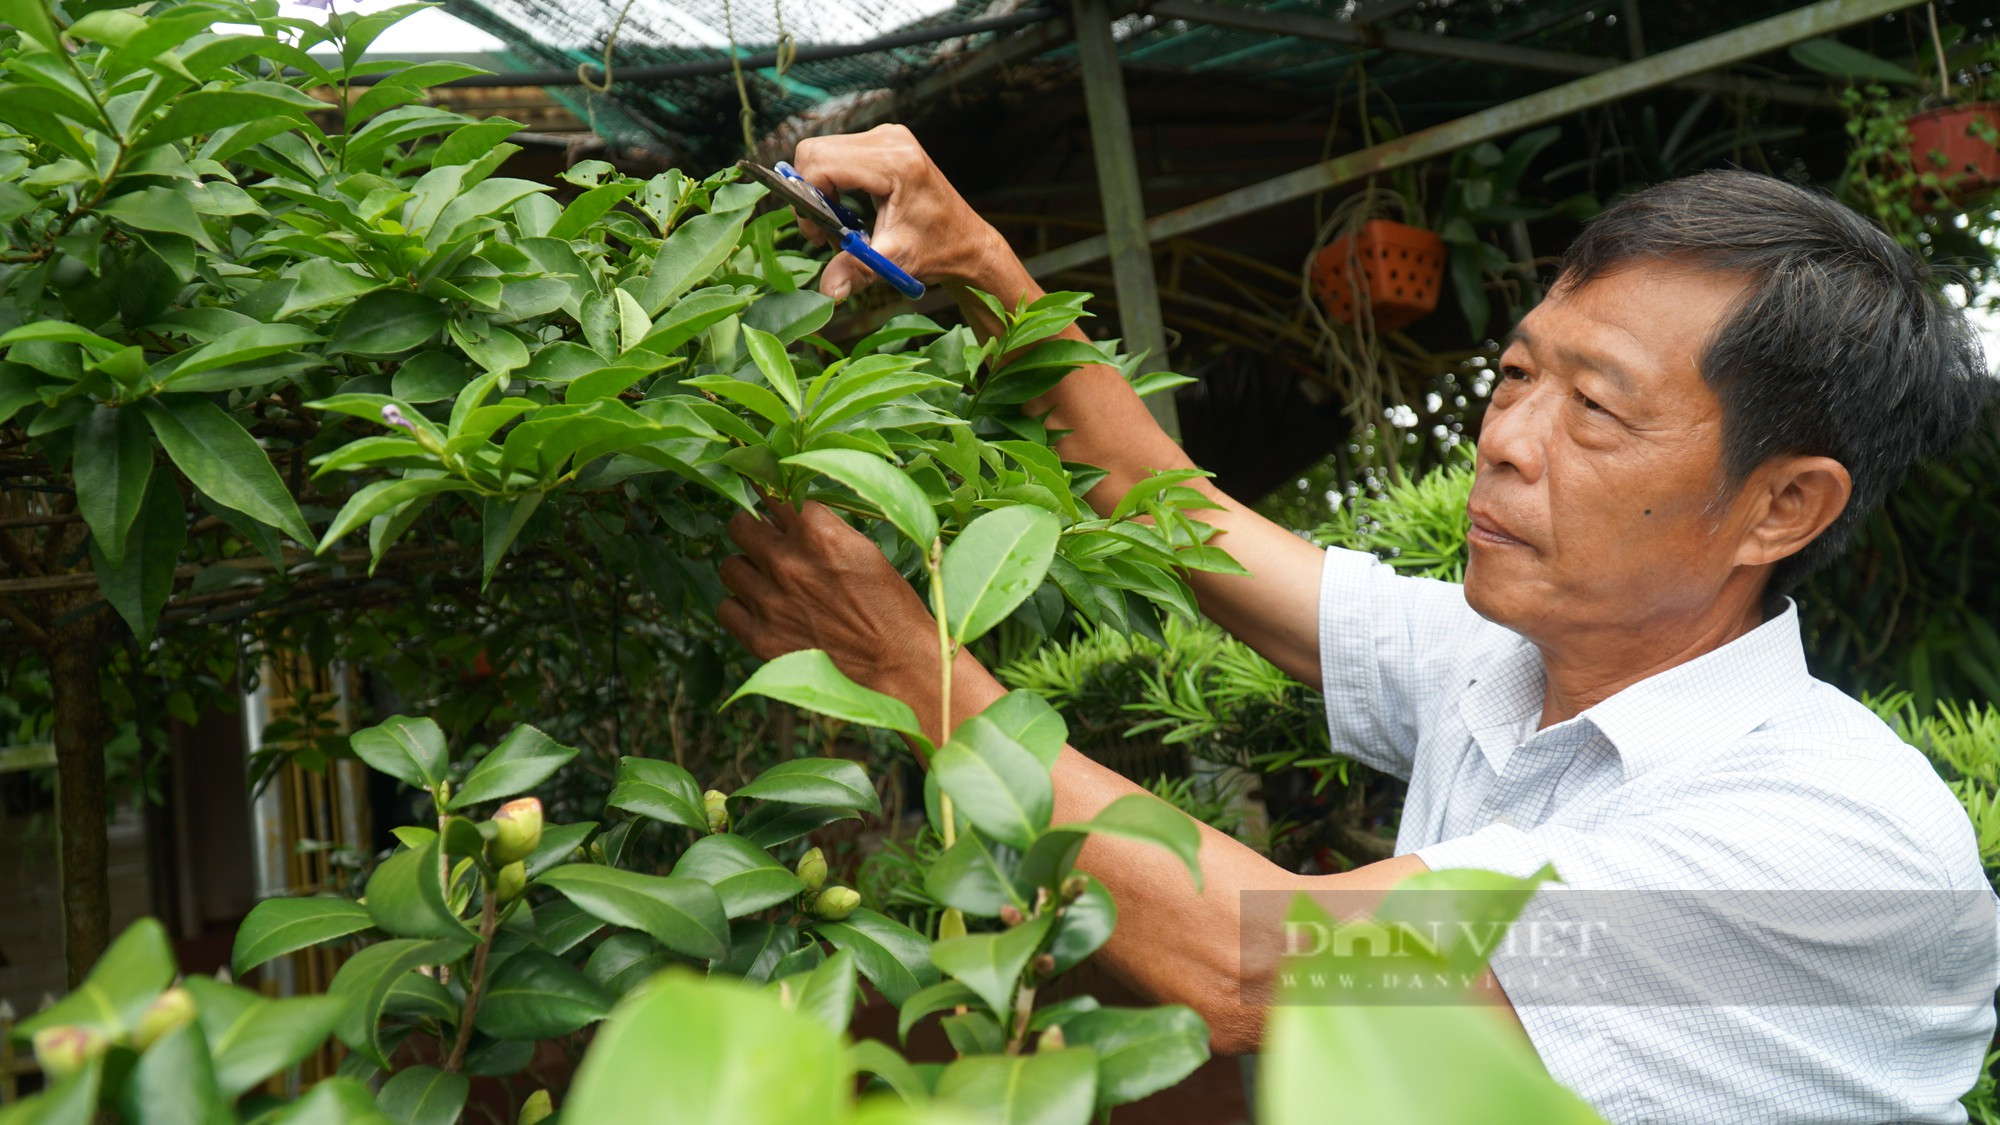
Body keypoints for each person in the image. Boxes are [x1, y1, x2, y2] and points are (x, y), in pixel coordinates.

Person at [713, 125, 1998, 1121]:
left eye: (1594, 410)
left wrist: (908, 669)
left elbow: (1253, 963)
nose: (1505, 442)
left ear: (1781, 506)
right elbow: (1176, 514)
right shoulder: (1509, 667)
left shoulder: (1825, 847)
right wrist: (978, 265)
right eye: (1513, 375)